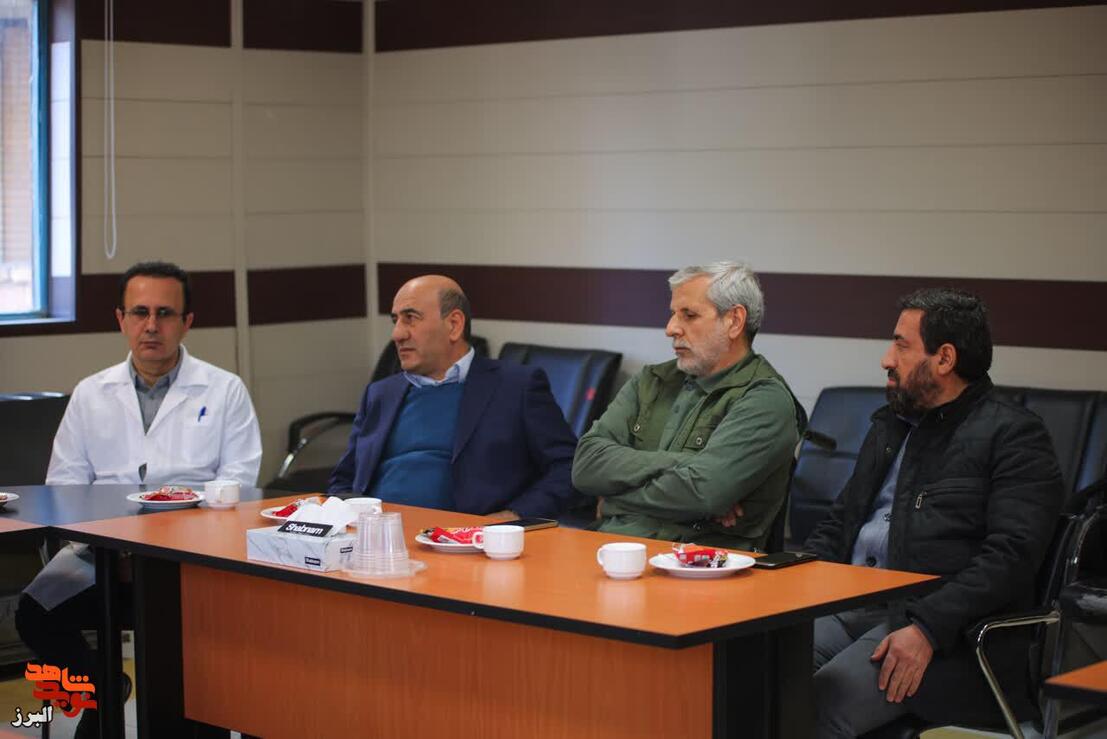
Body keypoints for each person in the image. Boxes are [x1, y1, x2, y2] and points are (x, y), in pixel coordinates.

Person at [16, 260, 262, 737]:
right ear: (121, 319)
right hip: (99, 556)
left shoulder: (224, 390)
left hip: (190, 559)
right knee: (35, 615)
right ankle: (104, 687)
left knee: (187, 659)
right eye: (140, 312)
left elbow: (239, 485)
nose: (152, 325)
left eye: (165, 313)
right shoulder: (91, 393)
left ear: (187, 322)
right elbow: (64, 485)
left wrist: (157, 547)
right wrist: (116, 548)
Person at [804, 288, 1064, 737]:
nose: (887, 359)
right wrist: (786, 588)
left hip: (942, 628)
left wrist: (927, 628)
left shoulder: (1014, 435)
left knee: (817, 706)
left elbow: (1011, 557)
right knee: (749, 673)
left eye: (901, 346)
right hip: (852, 603)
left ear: (944, 358)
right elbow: (840, 522)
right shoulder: (890, 425)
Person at [571, 261, 803, 550]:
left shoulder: (764, 399)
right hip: (608, 548)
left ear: (734, 321)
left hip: (697, 565)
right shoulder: (651, 380)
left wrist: (612, 501)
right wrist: (683, 463)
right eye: (673, 314)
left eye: (689, 315)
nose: (671, 328)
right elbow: (585, 465)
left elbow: (704, 492)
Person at [329, 275, 577, 519]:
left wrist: (512, 516)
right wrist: (345, 520)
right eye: (395, 321)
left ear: (454, 325)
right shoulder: (380, 394)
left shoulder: (516, 387)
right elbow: (344, 479)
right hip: (377, 534)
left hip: (462, 537)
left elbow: (569, 468)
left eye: (410, 318)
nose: (397, 334)